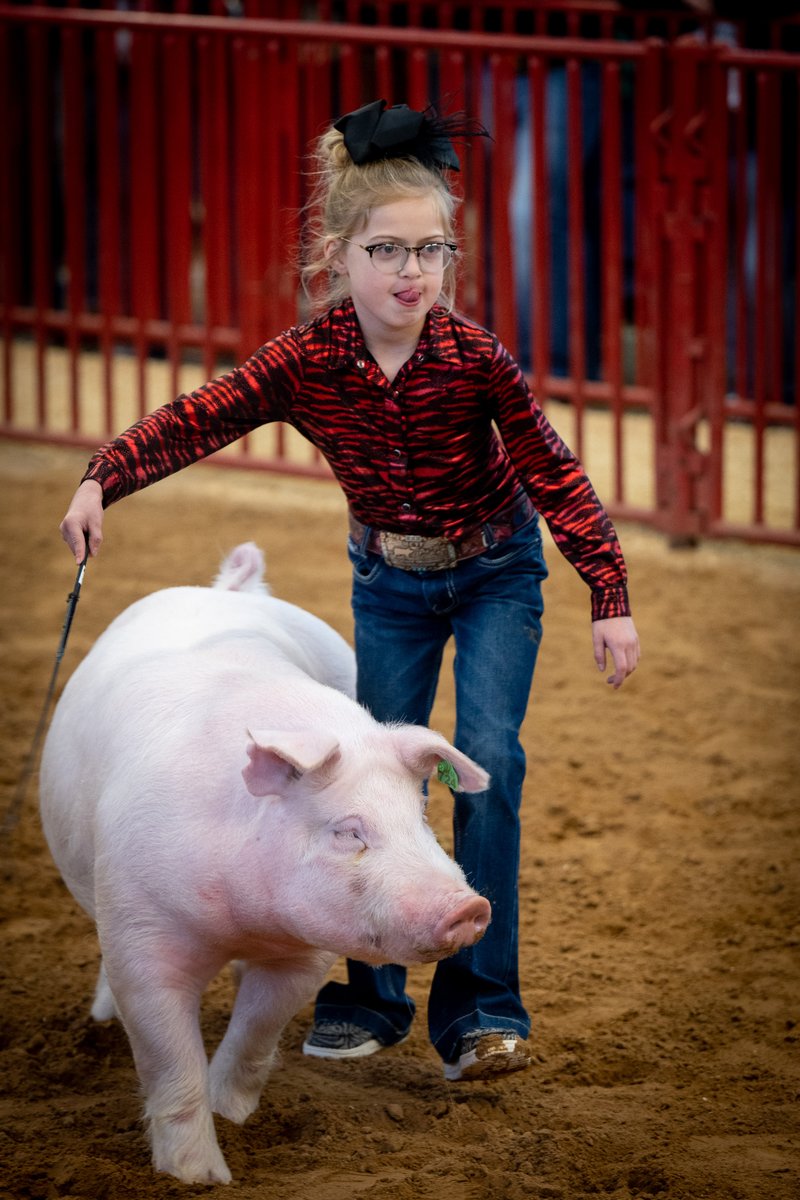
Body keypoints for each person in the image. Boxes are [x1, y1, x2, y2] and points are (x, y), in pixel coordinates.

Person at [60, 99, 640, 1083]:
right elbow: (205, 413)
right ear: (338, 255)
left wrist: (608, 589)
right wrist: (103, 474)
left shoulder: (475, 360)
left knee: (485, 757)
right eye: (387, 251)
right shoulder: (308, 359)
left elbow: (550, 469)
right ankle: (367, 995)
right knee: (365, 773)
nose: (412, 274)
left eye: (432, 251)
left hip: (496, 570)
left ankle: (479, 1012)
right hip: (389, 585)